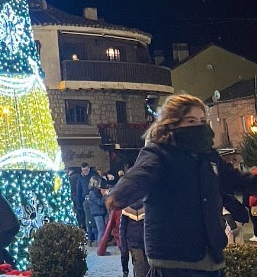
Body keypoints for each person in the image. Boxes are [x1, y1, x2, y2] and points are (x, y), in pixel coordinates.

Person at [108, 94, 257, 277]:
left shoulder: (208, 156)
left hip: (210, 257)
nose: (198, 126)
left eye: (202, 121)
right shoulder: (159, 153)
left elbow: (236, 180)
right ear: (172, 124)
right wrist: (121, 193)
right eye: (191, 121)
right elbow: (141, 174)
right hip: (174, 259)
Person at [120, 200, 148, 277]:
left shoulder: (126, 209)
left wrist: (123, 245)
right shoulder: (147, 207)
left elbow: (122, 229)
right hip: (144, 241)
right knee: (144, 267)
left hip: (133, 241)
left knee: (139, 266)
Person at [88, 176, 108, 245]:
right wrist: (105, 195)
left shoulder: (96, 192)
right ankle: (100, 246)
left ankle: (102, 245)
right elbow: (100, 203)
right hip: (97, 213)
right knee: (101, 231)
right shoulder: (92, 193)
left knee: (102, 230)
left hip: (100, 212)